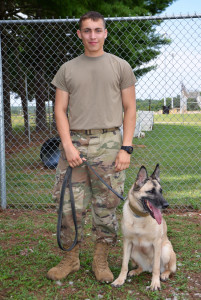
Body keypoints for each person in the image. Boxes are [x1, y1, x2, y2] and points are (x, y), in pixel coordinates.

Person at [47, 11, 136, 283]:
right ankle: (71, 259)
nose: (93, 35)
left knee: (106, 205)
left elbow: (130, 107)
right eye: (87, 30)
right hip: (74, 143)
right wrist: (67, 146)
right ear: (79, 34)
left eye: (98, 30)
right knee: (68, 205)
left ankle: (101, 260)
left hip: (109, 142)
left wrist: (126, 148)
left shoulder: (120, 66)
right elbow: (60, 110)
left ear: (105, 33)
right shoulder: (68, 69)